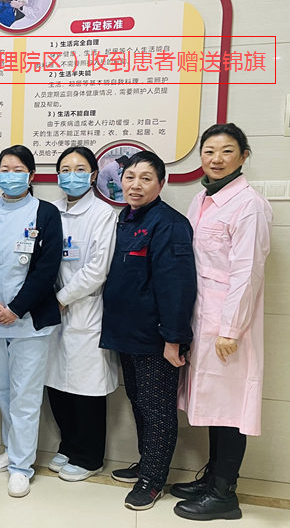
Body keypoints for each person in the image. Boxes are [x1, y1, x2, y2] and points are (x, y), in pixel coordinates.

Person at [173, 123, 272, 521]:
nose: (216, 159)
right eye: (209, 151)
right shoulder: (202, 198)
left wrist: (231, 329)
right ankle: (212, 478)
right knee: (214, 405)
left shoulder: (249, 205)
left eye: (227, 151)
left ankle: (224, 495)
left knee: (229, 409)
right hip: (202, 317)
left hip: (229, 326)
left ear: (244, 156)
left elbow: (247, 273)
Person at [100, 150, 197, 510]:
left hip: (156, 338)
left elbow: (177, 286)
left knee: (157, 409)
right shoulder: (124, 219)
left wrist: (174, 339)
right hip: (127, 333)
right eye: (130, 177)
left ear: (161, 183)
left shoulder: (169, 224)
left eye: (145, 178)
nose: (135, 185)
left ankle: (153, 481)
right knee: (139, 401)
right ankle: (146, 463)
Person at [0, 145, 62, 498]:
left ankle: (21, 466)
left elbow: (47, 269)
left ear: (31, 175)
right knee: (3, 389)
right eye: (4, 169)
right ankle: (12, 448)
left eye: (18, 170)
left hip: (29, 320)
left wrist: (17, 308)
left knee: (25, 394)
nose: (10, 176)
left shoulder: (46, 213)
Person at [45, 146, 119, 482]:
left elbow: (97, 269)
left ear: (93, 175)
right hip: (52, 309)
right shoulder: (51, 211)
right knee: (56, 382)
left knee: (85, 388)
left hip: (86, 309)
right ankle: (69, 445)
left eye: (79, 169)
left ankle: (90, 457)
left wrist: (62, 299)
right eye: (65, 169)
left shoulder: (103, 214)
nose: (70, 175)